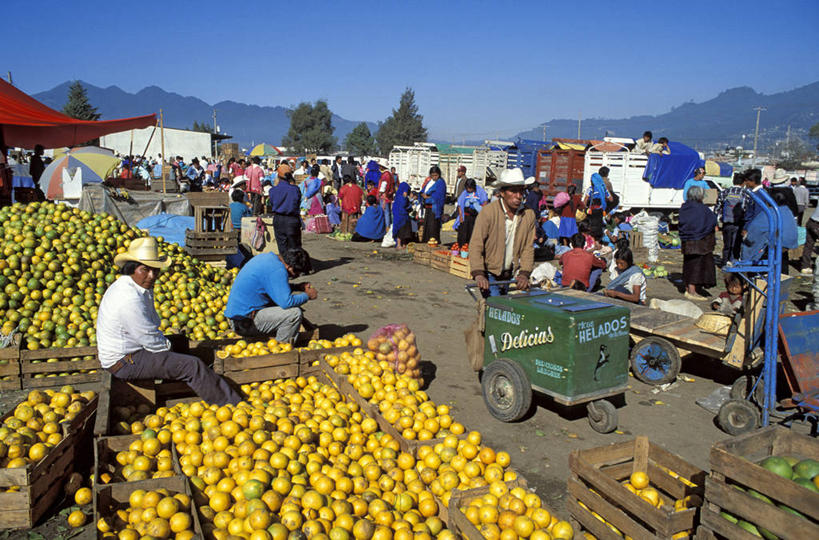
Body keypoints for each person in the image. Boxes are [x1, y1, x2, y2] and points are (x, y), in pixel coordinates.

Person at [97, 237, 241, 406]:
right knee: (192, 365)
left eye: (155, 270)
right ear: (132, 269)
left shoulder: (138, 287)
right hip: (124, 362)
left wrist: (171, 349)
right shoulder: (128, 298)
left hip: (132, 349)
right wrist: (170, 351)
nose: (151, 276)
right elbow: (149, 339)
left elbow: (151, 326)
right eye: (145, 270)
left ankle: (179, 388)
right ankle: (231, 405)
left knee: (180, 342)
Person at [468, 168, 536, 297]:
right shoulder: (488, 212)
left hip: (511, 273)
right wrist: (478, 273)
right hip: (490, 272)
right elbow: (476, 244)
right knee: (496, 306)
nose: (518, 196)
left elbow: (528, 247)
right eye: (513, 191)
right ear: (502, 193)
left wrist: (524, 273)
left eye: (521, 191)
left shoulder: (528, 215)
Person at [225, 249, 316, 343]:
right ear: (290, 268)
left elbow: (274, 286)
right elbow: (286, 302)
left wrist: (297, 287)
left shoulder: (268, 259)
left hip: (237, 318)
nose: (294, 276)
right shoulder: (278, 270)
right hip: (244, 323)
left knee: (286, 306)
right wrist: (307, 296)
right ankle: (280, 349)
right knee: (294, 314)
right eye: (296, 274)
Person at [679, 186, 718, 300]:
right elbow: (711, 221)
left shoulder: (685, 207)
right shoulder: (702, 209)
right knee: (696, 267)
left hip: (688, 242)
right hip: (700, 243)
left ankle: (689, 288)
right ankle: (692, 291)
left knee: (689, 265)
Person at [741, 190, 798, 263]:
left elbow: (755, 229)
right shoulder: (787, 211)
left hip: (776, 243)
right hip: (789, 242)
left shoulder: (769, 213)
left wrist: (746, 237)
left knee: (752, 242)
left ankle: (747, 263)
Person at [714, 172, 749, 263]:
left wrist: (716, 222)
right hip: (739, 224)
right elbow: (747, 210)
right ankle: (734, 263)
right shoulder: (745, 194)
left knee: (727, 245)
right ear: (743, 183)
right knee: (736, 245)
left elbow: (717, 209)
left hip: (727, 223)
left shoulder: (724, 192)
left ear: (733, 181)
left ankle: (725, 262)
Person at [268, 164, 302, 253]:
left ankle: (285, 265)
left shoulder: (272, 190)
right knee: (294, 246)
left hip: (278, 220)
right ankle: (295, 265)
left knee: (282, 246)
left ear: (278, 176)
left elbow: (272, 204)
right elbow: (298, 203)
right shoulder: (295, 189)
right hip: (292, 219)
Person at [454, 178, 488, 249]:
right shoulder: (464, 193)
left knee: (472, 233)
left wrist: (478, 207)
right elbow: (460, 204)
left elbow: (485, 202)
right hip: (466, 216)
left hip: (475, 217)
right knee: (463, 233)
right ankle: (462, 248)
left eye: (470, 188)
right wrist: (460, 216)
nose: (469, 190)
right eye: (467, 188)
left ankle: (471, 249)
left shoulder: (480, 191)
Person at [583, 167, 613, 240]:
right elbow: (611, 199)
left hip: (592, 211)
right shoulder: (604, 188)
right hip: (600, 211)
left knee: (591, 226)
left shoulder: (590, 189)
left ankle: (591, 241)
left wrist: (585, 209)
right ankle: (598, 241)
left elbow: (585, 201)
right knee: (599, 227)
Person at [420, 166, 446, 243]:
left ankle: (434, 241)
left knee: (433, 227)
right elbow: (423, 190)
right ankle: (426, 241)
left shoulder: (440, 183)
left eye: (436, 175)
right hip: (428, 208)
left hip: (435, 209)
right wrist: (423, 195)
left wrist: (428, 197)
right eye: (432, 175)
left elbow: (439, 196)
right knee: (427, 226)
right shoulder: (429, 182)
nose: (434, 177)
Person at [392, 182, 414, 248]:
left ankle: (404, 244)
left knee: (405, 232)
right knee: (400, 231)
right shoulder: (399, 197)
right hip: (399, 217)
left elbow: (408, 207)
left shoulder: (404, 197)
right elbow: (403, 205)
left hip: (405, 217)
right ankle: (399, 244)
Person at [800, 197, 819, 274]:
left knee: (808, 245)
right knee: (809, 245)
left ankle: (805, 266)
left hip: (811, 221)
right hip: (817, 224)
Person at [378, 162, 395, 229]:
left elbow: (384, 185)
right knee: (388, 212)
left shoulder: (385, 175)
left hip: (384, 196)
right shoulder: (389, 174)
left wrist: (380, 193)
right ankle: (388, 226)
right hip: (388, 196)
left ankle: (386, 227)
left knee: (385, 212)